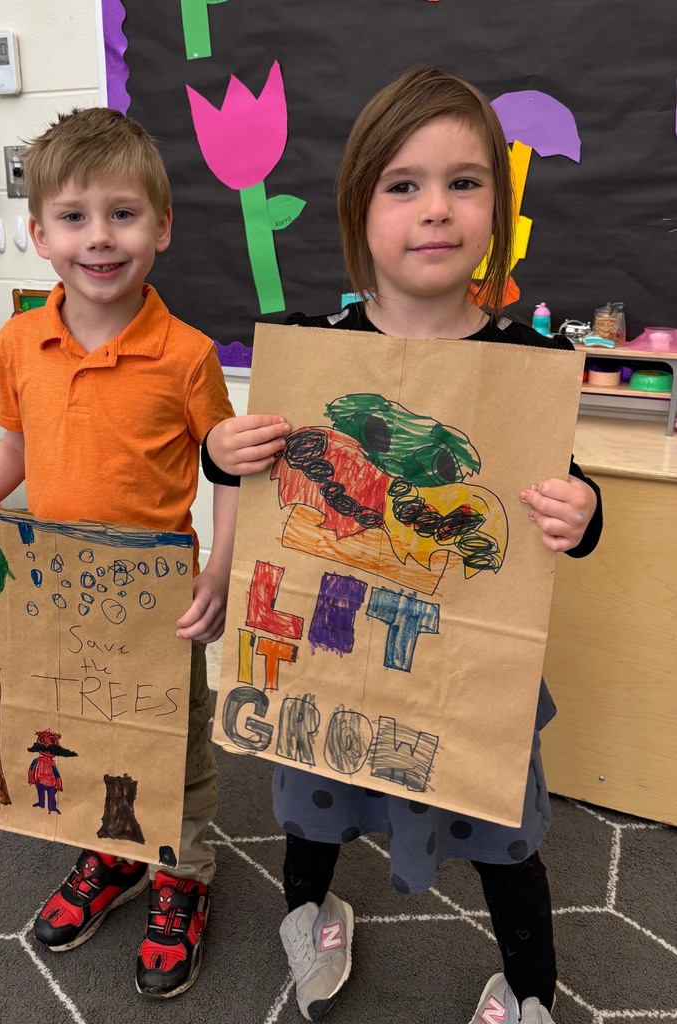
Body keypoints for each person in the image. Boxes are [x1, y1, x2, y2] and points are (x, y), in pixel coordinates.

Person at [202, 66, 603, 1024]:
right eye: (404, 184)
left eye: (465, 183)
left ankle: (530, 988)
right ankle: (310, 909)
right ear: (361, 208)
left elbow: (565, 515)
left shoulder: (530, 373)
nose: (436, 210)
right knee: (311, 810)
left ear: (496, 214)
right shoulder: (307, 351)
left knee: (505, 833)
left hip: (466, 667)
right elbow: (245, 483)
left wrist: (581, 512)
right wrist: (223, 453)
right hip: (331, 647)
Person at [0, 106, 238, 999]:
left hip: (159, 600)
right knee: (82, 729)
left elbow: (228, 469)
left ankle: (181, 871)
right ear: (40, 233)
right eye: (75, 217)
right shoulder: (22, 340)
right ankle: (113, 852)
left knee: (175, 743)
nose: (100, 238)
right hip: (54, 592)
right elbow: (15, 451)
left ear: (162, 228)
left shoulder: (188, 356)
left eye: (124, 214)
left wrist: (219, 572)